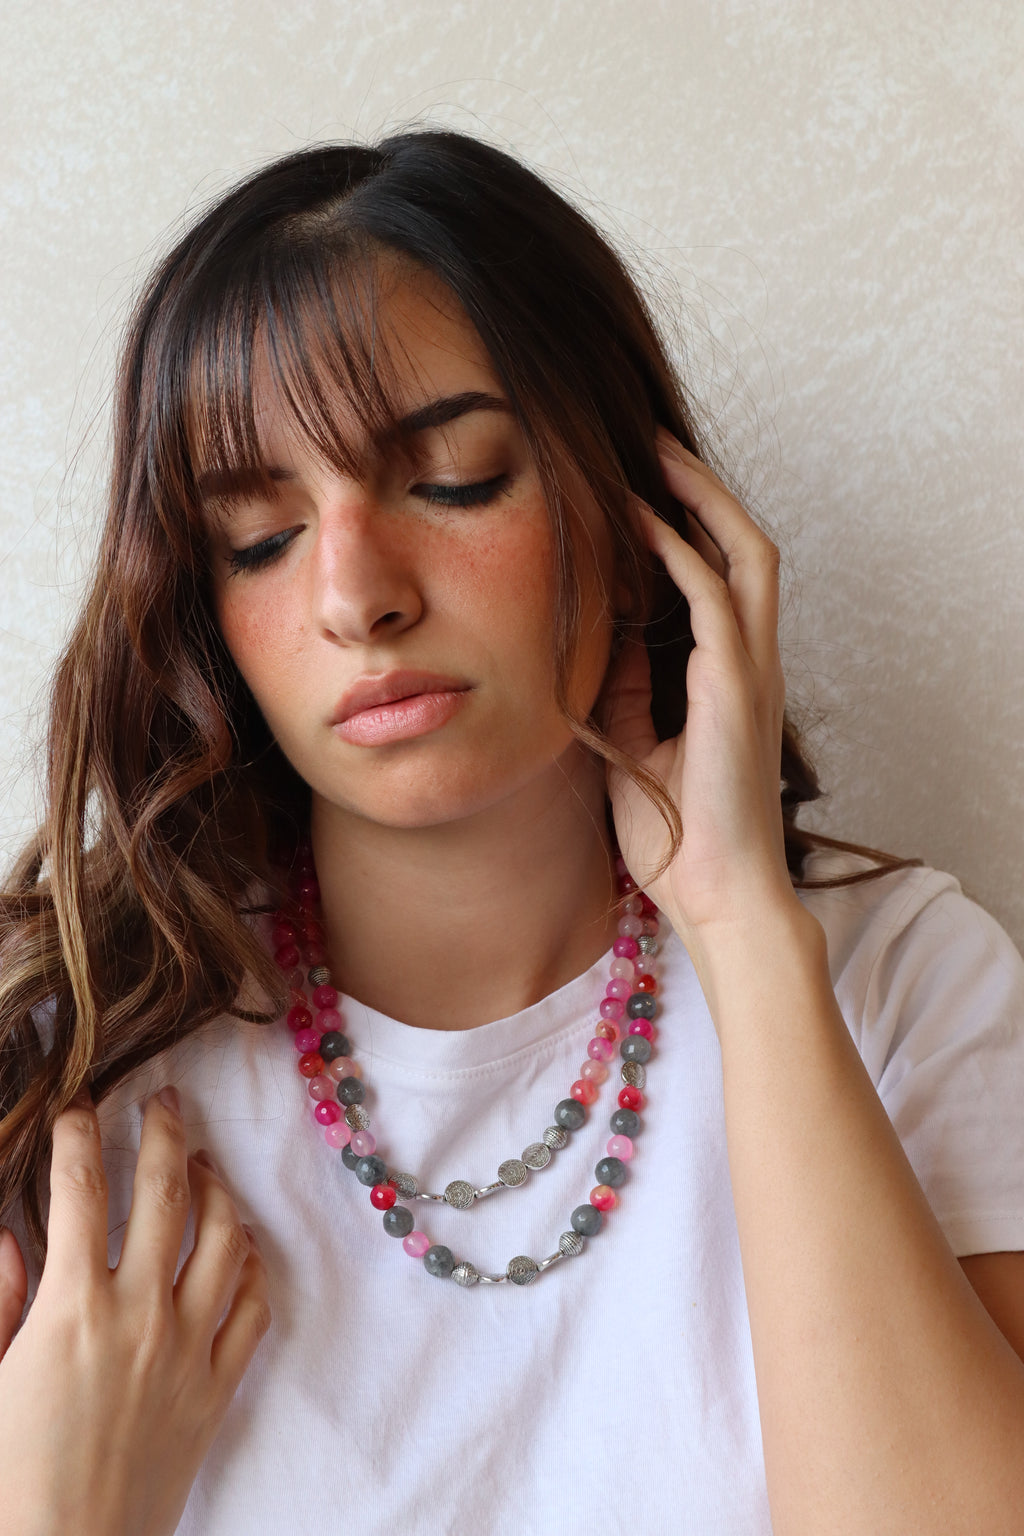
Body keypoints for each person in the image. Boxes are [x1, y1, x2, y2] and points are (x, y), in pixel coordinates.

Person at [0, 129, 1022, 1536]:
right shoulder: (69, 1071)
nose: (357, 595)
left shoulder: (900, 981)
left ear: (635, 509)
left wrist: (738, 926)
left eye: (455, 479)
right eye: (258, 537)